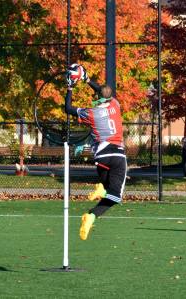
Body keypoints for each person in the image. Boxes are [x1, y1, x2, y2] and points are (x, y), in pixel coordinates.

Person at [64, 65, 127, 240]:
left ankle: (91, 216)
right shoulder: (116, 104)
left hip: (101, 157)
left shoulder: (91, 113)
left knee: (110, 194)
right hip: (118, 156)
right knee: (115, 197)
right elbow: (102, 91)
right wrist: (88, 80)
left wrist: (71, 87)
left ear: (97, 97)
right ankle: (101, 193)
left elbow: (68, 108)